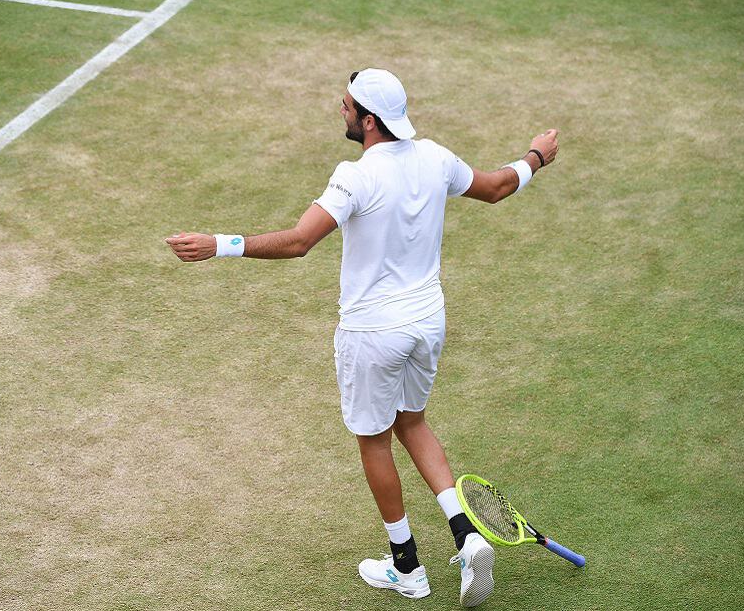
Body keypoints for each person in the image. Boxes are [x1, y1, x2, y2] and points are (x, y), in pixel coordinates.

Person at [167, 68, 559, 607]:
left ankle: (407, 568)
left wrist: (219, 244)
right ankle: (466, 536)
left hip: (373, 333)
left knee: (374, 439)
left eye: (347, 104)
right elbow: (497, 188)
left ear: (368, 120)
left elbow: (300, 242)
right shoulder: (435, 157)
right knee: (412, 421)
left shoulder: (355, 176)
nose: (341, 108)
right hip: (427, 323)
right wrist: (536, 156)